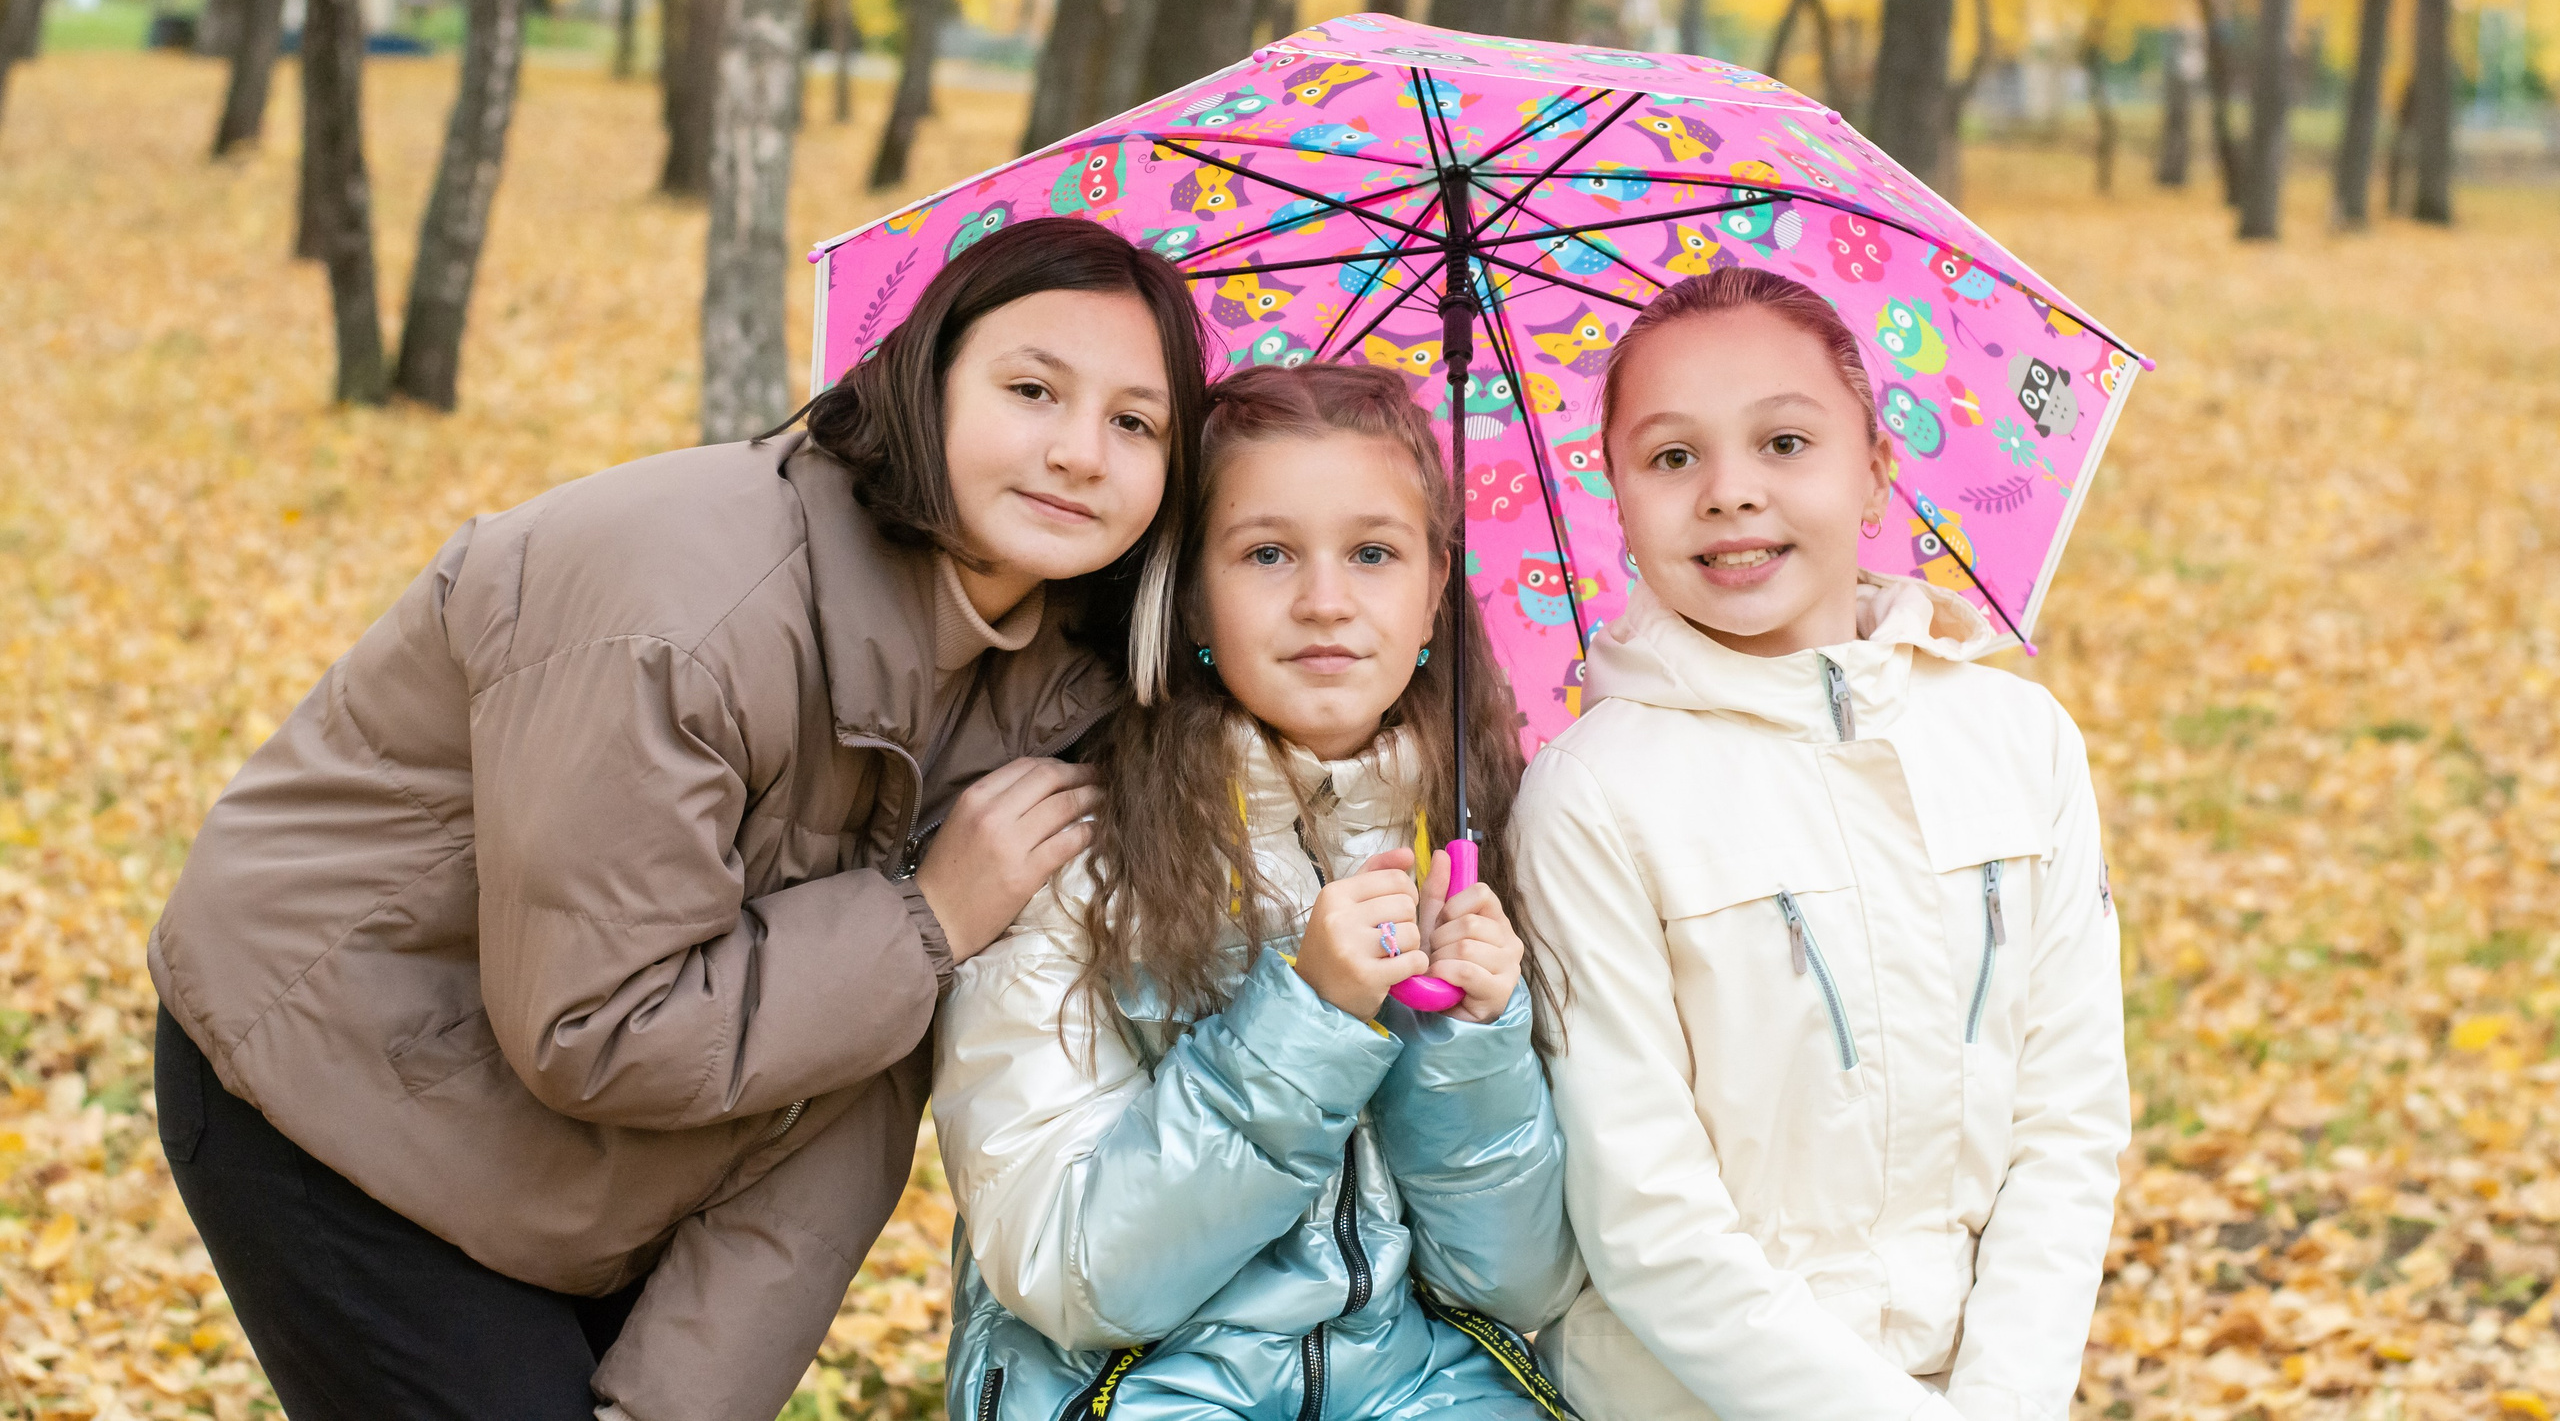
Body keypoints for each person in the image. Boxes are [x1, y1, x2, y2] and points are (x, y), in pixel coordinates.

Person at [147, 217, 1211, 1421]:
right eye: (1031, 389)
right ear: (926, 378)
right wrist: (924, 919)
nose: (1080, 452)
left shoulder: (1049, 694)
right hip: (336, 1086)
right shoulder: (680, 614)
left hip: (606, 1157)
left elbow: (845, 1087)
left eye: (1136, 423)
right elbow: (597, 1024)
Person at [1515, 267, 2129, 1421]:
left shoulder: (2019, 743)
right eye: (1671, 458)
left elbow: (2067, 1123)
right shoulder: (1592, 796)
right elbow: (1648, 1219)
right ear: (1619, 496)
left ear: (1876, 470)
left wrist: (2003, 1401)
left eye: (1785, 442)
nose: (1728, 493)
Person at [932, 362, 1584, 1421]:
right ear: (1191, 592)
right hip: (1128, 1381)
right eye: (1267, 553)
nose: (1324, 600)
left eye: (1373, 553)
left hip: (1427, 1381)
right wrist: (1311, 1020)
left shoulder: (1501, 841)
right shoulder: (1073, 863)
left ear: (1433, 591)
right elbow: (1073, 1268)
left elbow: (1519, 1284)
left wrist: (1473, 1042)